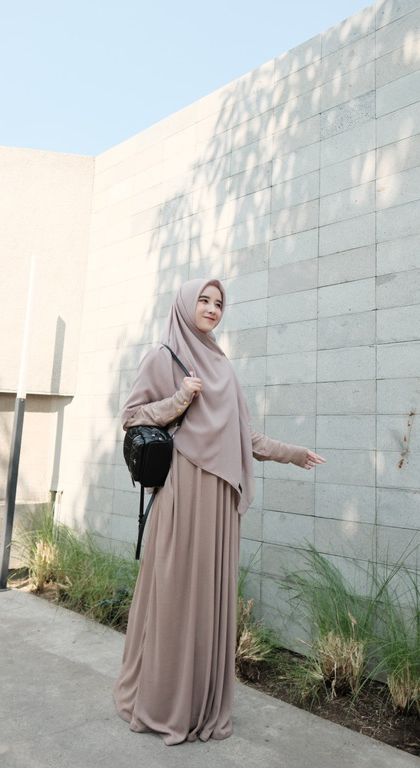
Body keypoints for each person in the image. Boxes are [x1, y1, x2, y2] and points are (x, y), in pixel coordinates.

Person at [113, 277, 325, 745]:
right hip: (182, 493)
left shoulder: (223, 367)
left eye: (219, 303)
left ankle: (200, 704)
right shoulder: (163, 357)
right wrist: (179, 399)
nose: (212, 308)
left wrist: (292, 454)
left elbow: (242, 436)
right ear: (185, 305)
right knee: (174, 594)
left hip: (218, 502)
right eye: (204, 300)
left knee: (207, 598)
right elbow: (130, 416)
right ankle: (162, 701)